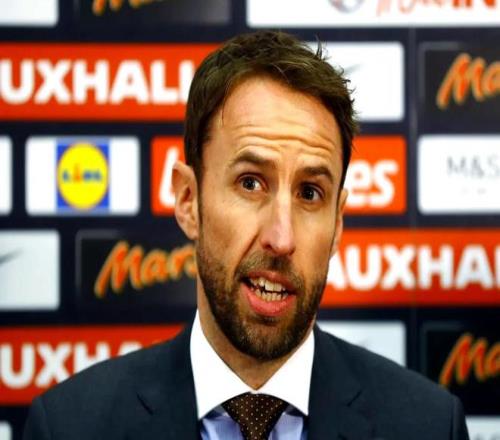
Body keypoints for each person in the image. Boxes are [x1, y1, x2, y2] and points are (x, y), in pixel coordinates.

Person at [23, 31, 469, 440]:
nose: (281, 238)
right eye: (251, 183)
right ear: (188, 200)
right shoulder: (69, 427)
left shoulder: (428, 426)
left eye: (310, 193)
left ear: (337, 224)